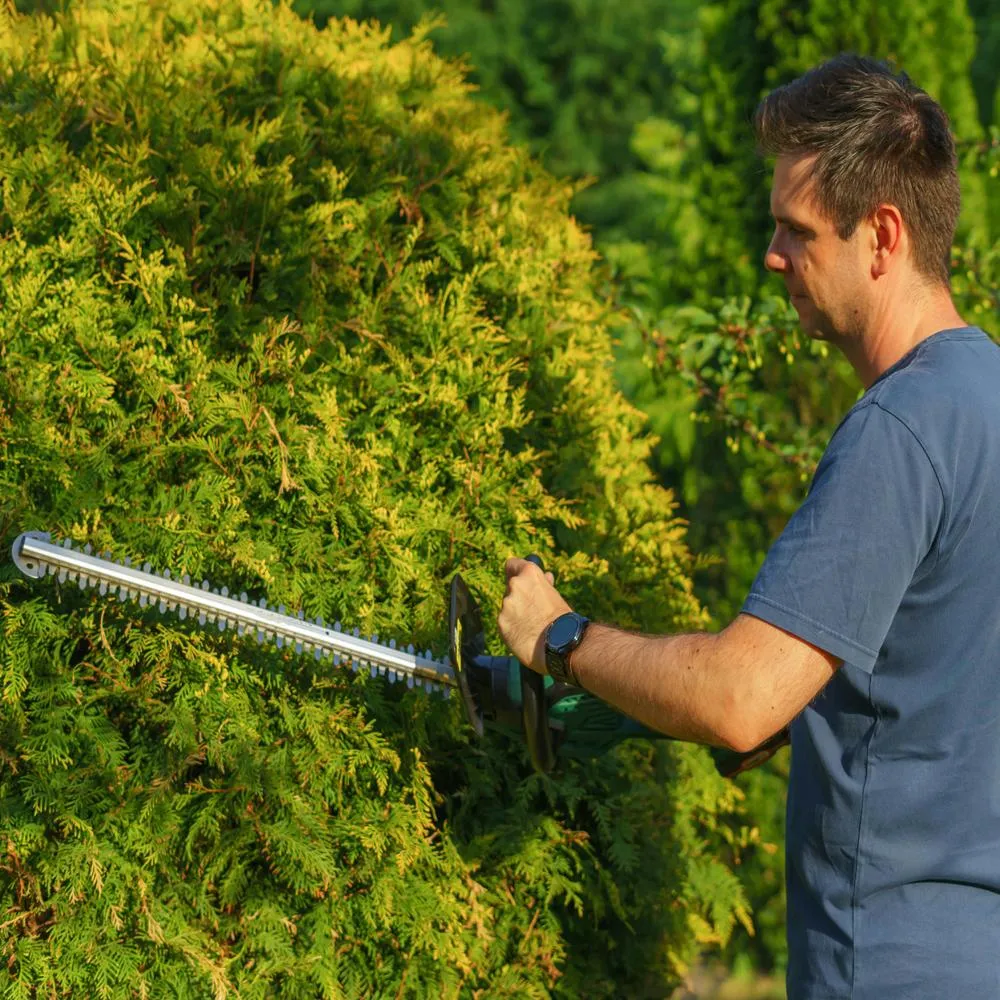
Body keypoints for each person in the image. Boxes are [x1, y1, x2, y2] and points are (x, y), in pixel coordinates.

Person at [498, 53, 1000, 1000]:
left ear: (882, 236)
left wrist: (561, 640)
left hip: (885, 966)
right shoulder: (989, 402)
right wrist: (628, 701)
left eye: (796, 229)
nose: (773, 255)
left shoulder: (900, 431)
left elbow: (741, 697)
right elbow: (937, 676)